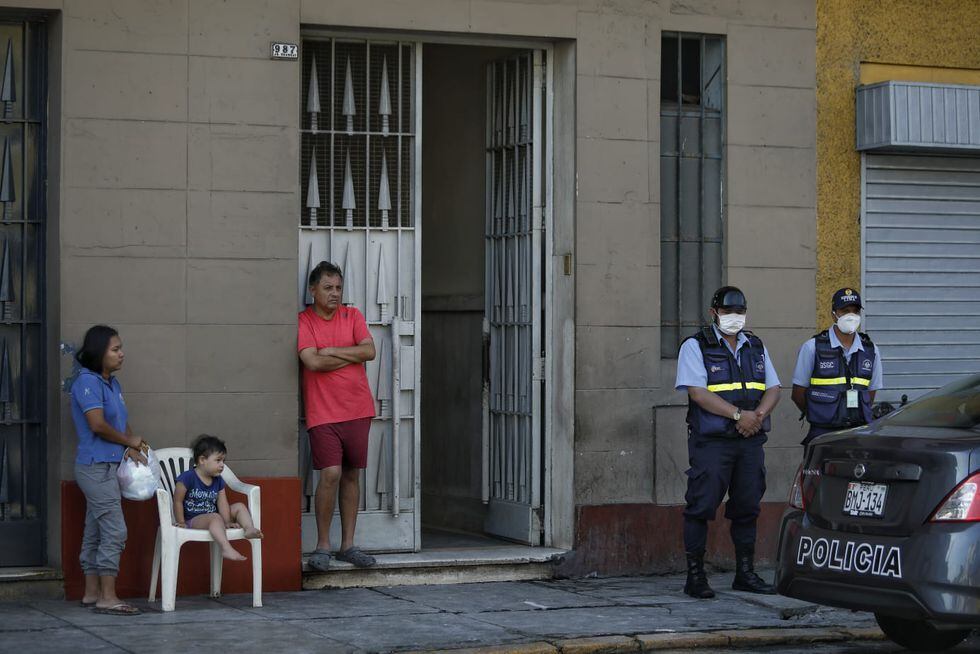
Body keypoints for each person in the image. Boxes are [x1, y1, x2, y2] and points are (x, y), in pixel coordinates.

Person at [675, 286, 781, 599]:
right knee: (701, 506)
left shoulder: (755, 346)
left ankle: (745, 574)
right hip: (713, 443)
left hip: (749, 441)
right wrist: (738, 415)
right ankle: (695, 577)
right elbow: (698, 393)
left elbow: (774, 388)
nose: (734, 317)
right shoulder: (696, 346)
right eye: (727, 312)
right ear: (714, 313)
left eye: (739, 312)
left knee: (747, 506)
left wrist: (756, 417)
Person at [298, 261, 377, 571]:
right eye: (328, 287)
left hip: (358, 408)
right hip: (323, 412)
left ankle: (348, 545)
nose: (334, 293)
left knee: (351, 474)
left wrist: (330, 351)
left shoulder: (352, 316)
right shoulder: (304, 321)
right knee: (330, 473)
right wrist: (349, 354)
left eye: (338, 288)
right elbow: (312, 362)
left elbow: (369, 352)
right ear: (312, 290)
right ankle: (322, 546)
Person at [71, 325, 149, 615]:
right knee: (115, 531)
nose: (121, 354)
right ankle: (108, 597)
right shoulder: (86, 382)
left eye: (120, 348)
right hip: (95, 468)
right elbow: (98, 425)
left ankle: (92, 594)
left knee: (95, 531)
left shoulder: (111, 384)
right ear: (98, 352)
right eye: (115, 349)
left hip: (109, 467)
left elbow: (119, 422)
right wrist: (129, 441)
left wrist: (130, 446)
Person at [792, 287, 883, 446]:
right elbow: (798, 394)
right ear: (833, 314)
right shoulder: (812, 347)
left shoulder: (871, 350)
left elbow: (870, 394)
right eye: (845, 311)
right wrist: (820, 413)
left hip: (858, 432)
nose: (851, 316)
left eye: (855, 311)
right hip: (823, 432)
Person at [173, 435, 263, 561]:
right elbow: (177, 501)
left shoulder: (218, 480)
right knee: (215, 517)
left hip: (215, 517)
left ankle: (248, 528)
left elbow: (222, 502)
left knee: (239, 506)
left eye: (223, 461)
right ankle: (226, 548)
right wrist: (181, 522)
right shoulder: (187, 478)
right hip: (193, 520)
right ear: (202, 460)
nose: (222, 465)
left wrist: (227, 522)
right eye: (218, 460)